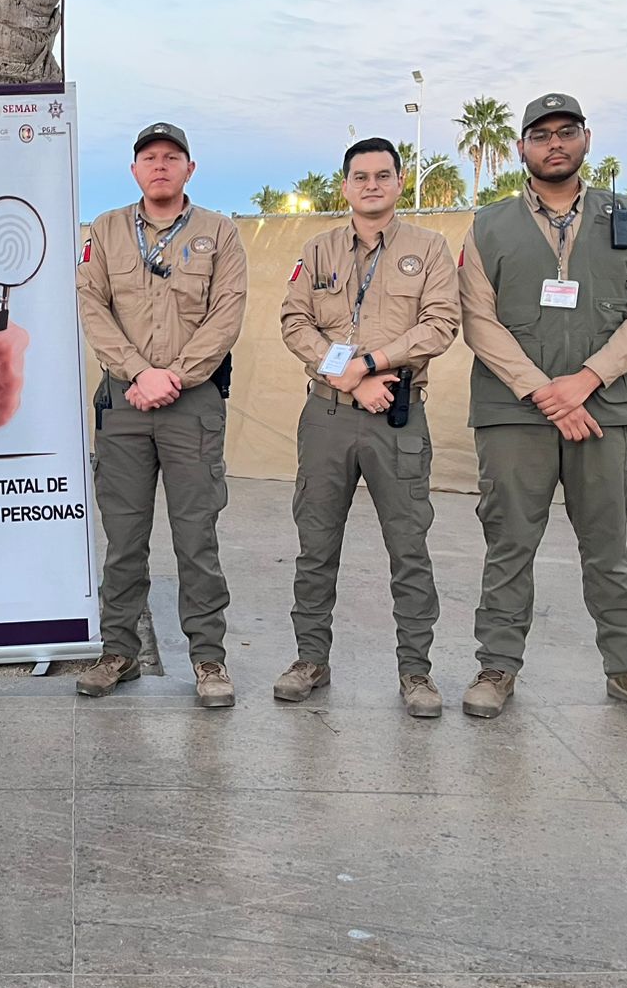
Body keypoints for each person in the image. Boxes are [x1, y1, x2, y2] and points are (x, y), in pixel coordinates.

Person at [457, 93, 627, 723]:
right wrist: (543, 392)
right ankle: (497, 667)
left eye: (566, 131)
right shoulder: (488, 225)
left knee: (607, 545)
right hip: (515, 412)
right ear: (521, 148)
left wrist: (585, 381)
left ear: (586, 137)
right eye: (540, 135)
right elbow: (478, 319)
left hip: (609, 409)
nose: (554, 143)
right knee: (509, 544)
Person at [277, 137, 460, 716]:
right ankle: (310, 659)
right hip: (328, 416)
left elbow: (440, 324)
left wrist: (374, 363)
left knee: (409, 548)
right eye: (361, 176)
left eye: (383, 175)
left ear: (400, 183)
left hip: (397, 417)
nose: (372, 185)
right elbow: (295, 322)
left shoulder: (429, 249)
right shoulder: (319, 249)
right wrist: (350, 378)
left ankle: (416, 672)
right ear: (346, 186)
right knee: (315, 545)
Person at [74, 122, 248, 707]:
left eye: (172, 157)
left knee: (196, 538)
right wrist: (137, 372)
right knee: (124, 538)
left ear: (189, 169)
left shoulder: (219, 233)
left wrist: (173, 375)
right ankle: (118, 651)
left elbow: (226, 314)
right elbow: (92, 306)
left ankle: (208, 659)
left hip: (192, 404)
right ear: (134, 170)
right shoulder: (106, 230)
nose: (160, 166)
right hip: (125, 404)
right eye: (149, 157)